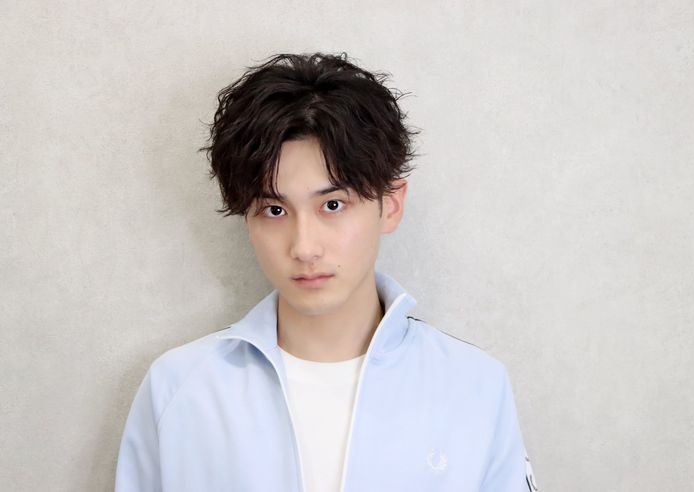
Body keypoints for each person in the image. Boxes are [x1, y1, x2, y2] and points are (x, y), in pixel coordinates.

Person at [114, 52, 538, 492]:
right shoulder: (179, 389)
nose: (304, 247)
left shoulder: (474, 386)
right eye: (274, 210)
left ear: (390, 205)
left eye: (332, 205)